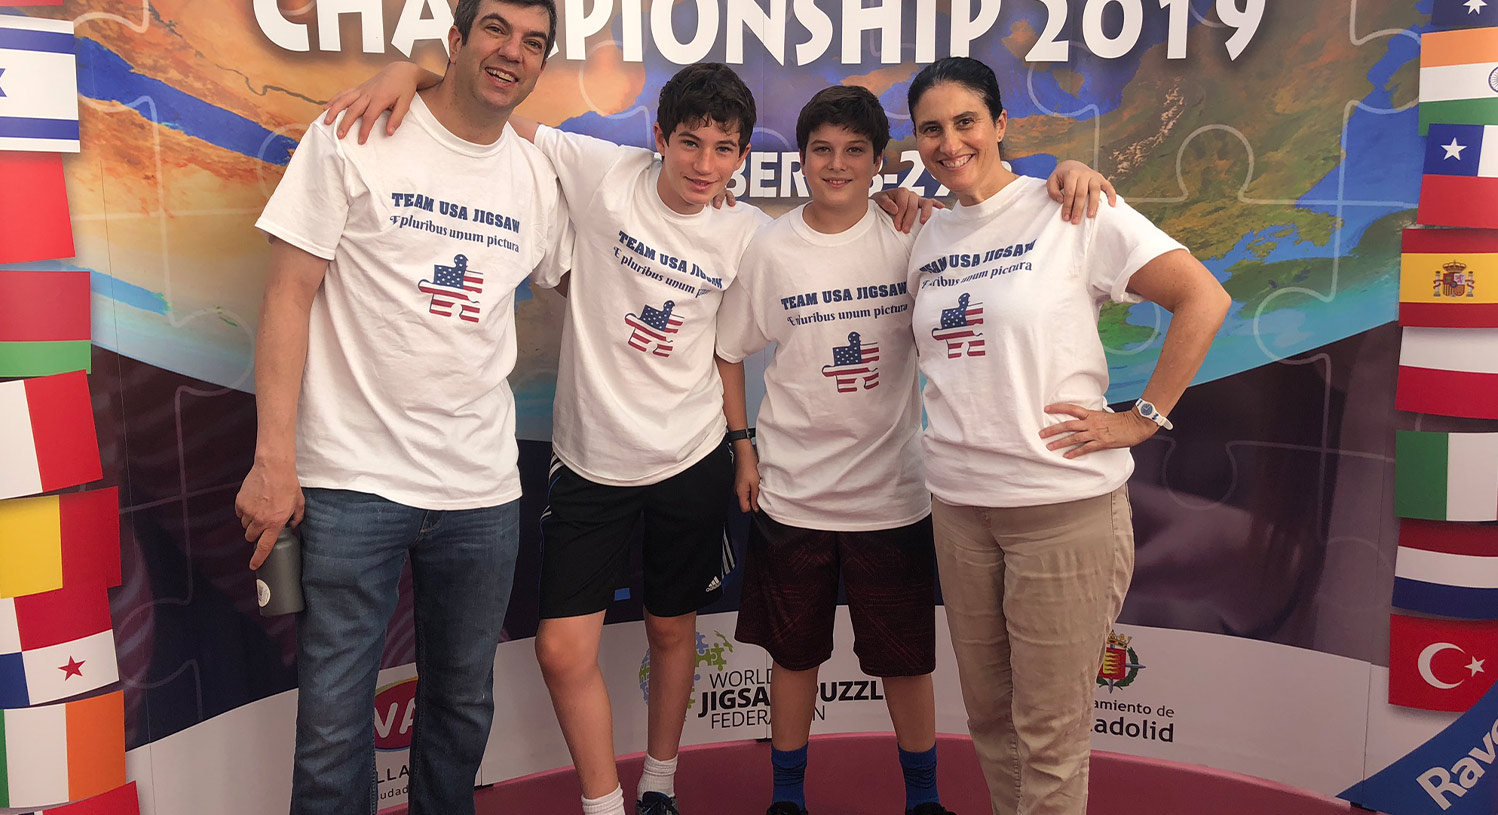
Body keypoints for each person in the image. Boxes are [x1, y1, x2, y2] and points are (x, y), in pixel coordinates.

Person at [324, 63, 1110, 815]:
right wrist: (412, 72)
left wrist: (1059, 174)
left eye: (725, 147)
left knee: (805, 647)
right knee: (630, 651)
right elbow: (496, 105)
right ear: (661, 137)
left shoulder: (842, 236)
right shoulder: (649, 192)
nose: (705, 162)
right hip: (665, 474)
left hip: (787, 478)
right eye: (691, 141)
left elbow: (973, 233)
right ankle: (686, 797)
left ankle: (755, 788)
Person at [716, 86, 1115, 815]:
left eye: (855, 151)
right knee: (793, 654)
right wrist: (743, 447)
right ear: (801, 157)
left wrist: (1073, 169)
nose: (837, 165)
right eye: (822, 150)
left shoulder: (914, 236)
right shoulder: (769, 249)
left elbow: (976, 251)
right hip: (792, 493)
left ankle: (924, 800)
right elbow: (729, 349)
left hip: (895, 494)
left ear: (878, 162)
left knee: (905, 657)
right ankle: (786, 798)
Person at [233, 0, 571, 815]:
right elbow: (286, 296)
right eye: (495, 31)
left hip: (482, 490)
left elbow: (640, 228)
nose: (512, 53)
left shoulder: (534, 176)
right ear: (454, 41)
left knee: (461, 711)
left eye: (533, 43)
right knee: (333, 727)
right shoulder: (355, 133)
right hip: (351, 480)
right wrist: (274, 459)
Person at [902, 56, 1230, 815]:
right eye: (931, 129)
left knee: (1048, 734)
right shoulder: (925, 235)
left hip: (1062, 514)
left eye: (965, 122)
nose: (950, 142)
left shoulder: (1072, 208)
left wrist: (1140, 418)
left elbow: (1202, 298)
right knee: (991, 722)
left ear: (999, 125)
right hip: (960, 512)